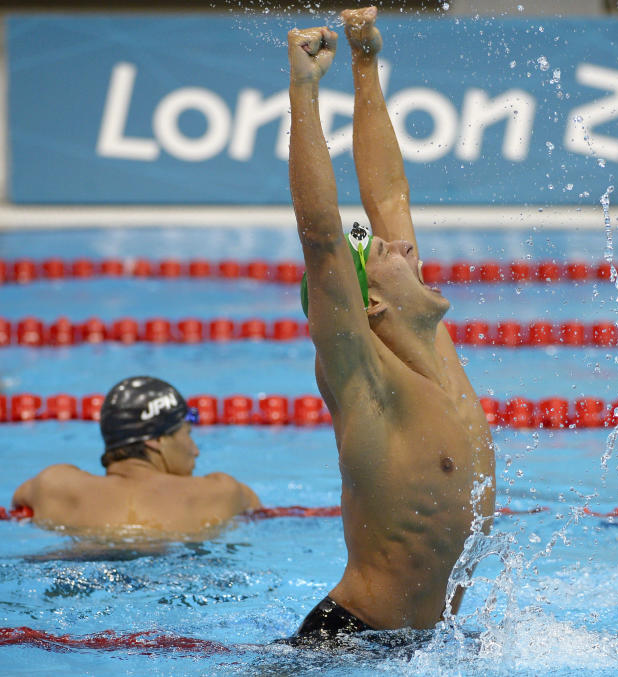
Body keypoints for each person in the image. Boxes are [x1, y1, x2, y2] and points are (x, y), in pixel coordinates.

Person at [286, 7, 496, 645]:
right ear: (370, 306)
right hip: (349, 644)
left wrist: (365, 61)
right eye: (388, 255)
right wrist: (304, 89)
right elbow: (325, 236)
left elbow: (388, 198)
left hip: (426, 647)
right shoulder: (366, 382)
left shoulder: (427, 336)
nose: (405, 249)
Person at [11, 376, 260, 537]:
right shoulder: (219, 490)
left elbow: (17, 502)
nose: (195, 449)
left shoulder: (53, 483)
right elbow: (257, 512)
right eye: (187, 434)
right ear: (156, 440)